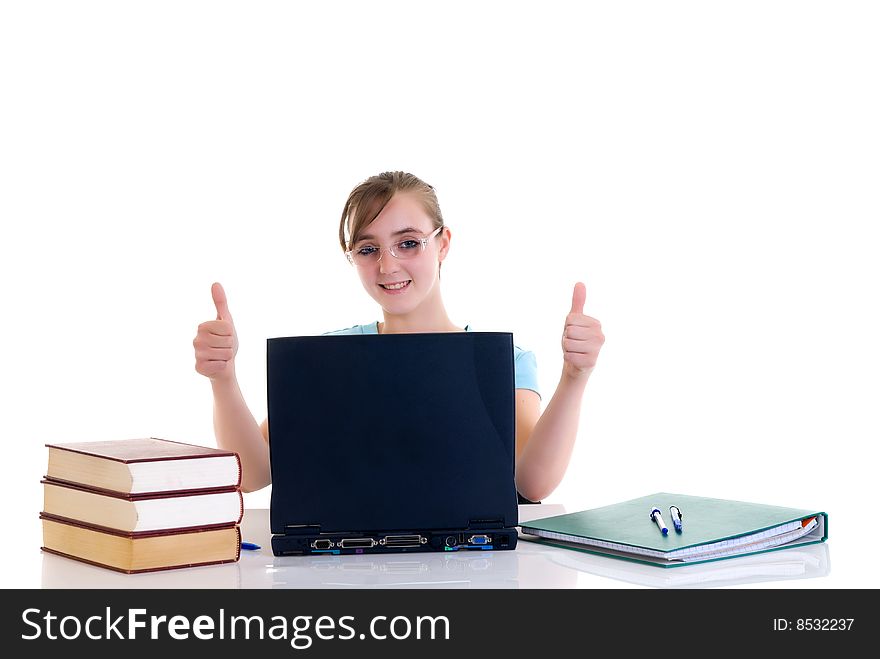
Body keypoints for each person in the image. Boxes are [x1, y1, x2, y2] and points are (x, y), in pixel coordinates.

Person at [193, 171, 604, 502]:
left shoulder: (502, 360)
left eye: (408, 243)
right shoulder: (330, 356)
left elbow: (532, 484)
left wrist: (575, 376)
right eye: (368, 249)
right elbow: (253, 473)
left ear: (442, 244)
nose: (388, 266)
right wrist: (223, 380)